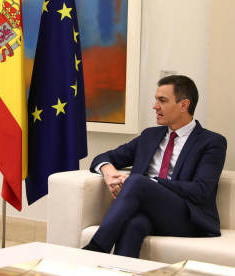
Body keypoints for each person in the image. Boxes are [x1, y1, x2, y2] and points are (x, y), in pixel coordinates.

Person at [82, 75, 227, 258]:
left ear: (184, 105)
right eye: (156, 99)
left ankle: (95, 248)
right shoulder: (150, 136)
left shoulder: (212, 142)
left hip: (187, 218)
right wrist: (109, 172)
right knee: (132, 224)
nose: (155, 106)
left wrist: (149, 183)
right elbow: (104, 157)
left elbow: (200, 190)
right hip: (149, 212)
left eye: (162, 100)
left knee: (137, 182)